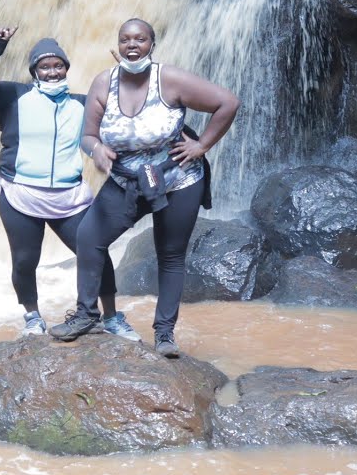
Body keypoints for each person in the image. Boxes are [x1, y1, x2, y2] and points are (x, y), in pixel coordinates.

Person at [49, 18, 240, 357]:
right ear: (118, 45)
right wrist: (97, 151)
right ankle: (86, 314)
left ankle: (164, 334)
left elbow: (227, 102)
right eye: (125, 39)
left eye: (140, 39)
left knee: (170, 254)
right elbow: (88, 136)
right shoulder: (102, 83)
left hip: (177, 178)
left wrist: (202, 146)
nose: (132, 45)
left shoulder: (170, 79)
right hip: (126, 179)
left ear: (152, 45)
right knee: (89, 237)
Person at [0, 25, 141, 339]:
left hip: (69, 197)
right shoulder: (12, 97)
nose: (51, 71)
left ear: (66, 68)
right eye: (44, 66)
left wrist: (128, 74)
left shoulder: (83, 103)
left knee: (95, 254)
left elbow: (128, 109)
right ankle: (33, 316)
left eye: (57, 65)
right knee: (24, 260)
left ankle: (112, 317)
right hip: (21, 194)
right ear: (34, 71)